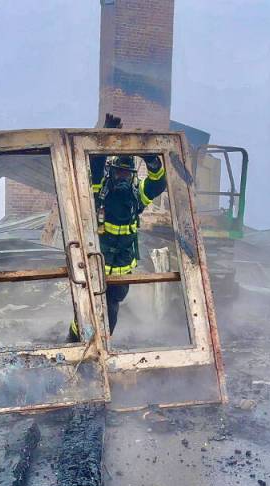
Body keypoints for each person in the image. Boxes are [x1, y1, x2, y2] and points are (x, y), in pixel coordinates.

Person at [68, 113, 167, 342]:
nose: (122, 177)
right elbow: (93, 165)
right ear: (111, 172)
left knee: (110, 312)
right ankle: (73, 343)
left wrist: (150, 157)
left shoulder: (136, 197)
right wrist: (105, 134)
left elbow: (158, 183)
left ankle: (101, 347)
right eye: (119, 172)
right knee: (85, 311)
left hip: (121, 272)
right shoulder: (98, 192)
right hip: (94, 266)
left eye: (126, 173)